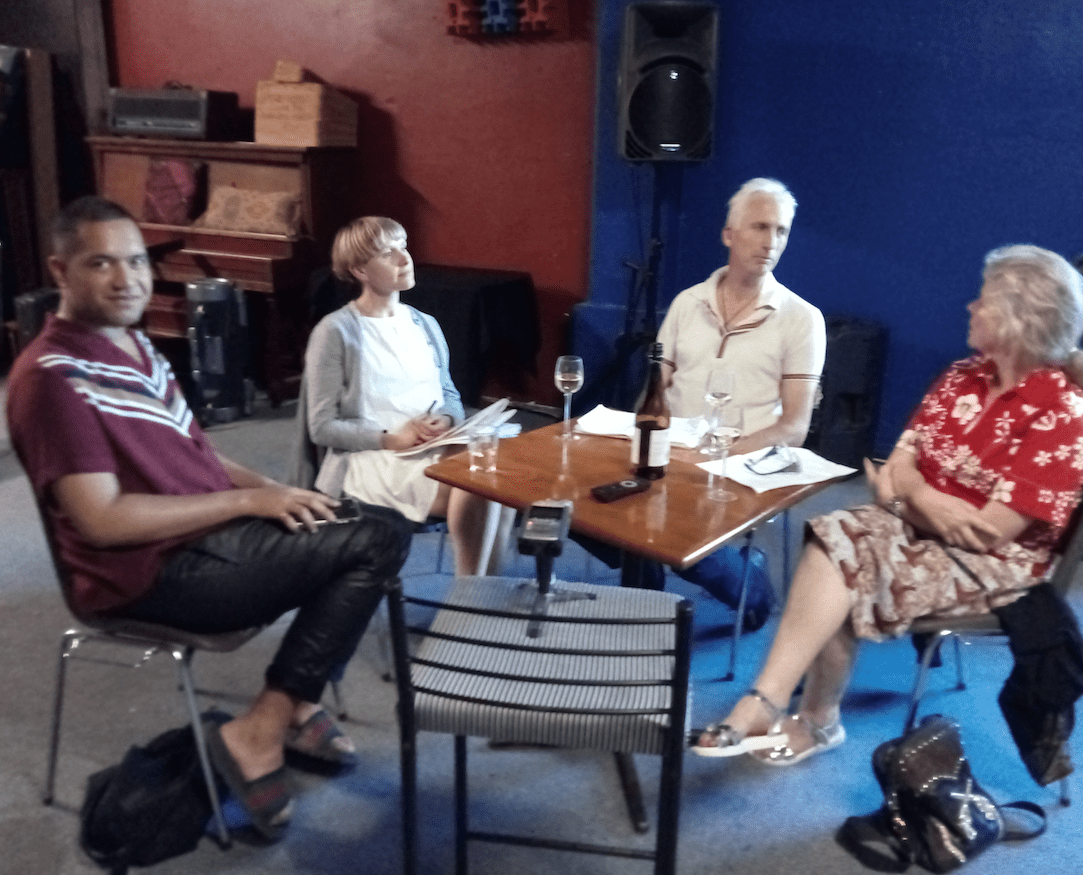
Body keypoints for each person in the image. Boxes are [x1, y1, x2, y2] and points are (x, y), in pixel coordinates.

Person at [6, 196, 413, 840]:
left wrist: (276, 489)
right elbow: (104, 522)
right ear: (61, 271)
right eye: (101, 263)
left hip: (206, 536)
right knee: (372, 542)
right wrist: (252, 503)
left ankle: (292, 704)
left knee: (367, 522)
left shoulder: (133, 344)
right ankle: (263, 728)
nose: (127, 279)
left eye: (136, 260)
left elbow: (198, 456)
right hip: (147, 573)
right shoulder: (51, 378)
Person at [692, 244, 1083, 764]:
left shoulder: (1062, 414)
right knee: (838, 537)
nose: (970, 307)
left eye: (982, 300)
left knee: (843, 556)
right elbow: (894, 467)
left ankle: (797, 712)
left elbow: (988, 534)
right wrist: (922, 497)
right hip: (912, 530)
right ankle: (782, 706)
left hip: (997, 570)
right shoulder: (961, 377)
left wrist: (909, 494)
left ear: (1020, 318)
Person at [656, 178, 826, 626]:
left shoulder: (802, 319)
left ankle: (753, 590)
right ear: (729, 235)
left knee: (667, 537)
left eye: (782, 231)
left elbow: (794, 426)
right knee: (595, 509)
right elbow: (656, 393)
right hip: (676, 454)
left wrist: (712, 455)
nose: (772, 242)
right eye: (760, 227)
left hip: (748, 461)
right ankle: (646, 603)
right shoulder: (685, 304)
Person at [292, 216, 492, 577]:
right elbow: (321, 428)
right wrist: (392, 439)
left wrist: (445, 419)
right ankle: (470, 596)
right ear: (360, 270)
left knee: (494, 465)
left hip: (427, 446)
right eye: (388, 253)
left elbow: (448, 392)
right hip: (372, 458)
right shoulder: (335, 331)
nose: (404, 259)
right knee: (479, 483)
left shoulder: (424, 323)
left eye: (403, 246)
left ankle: (487, 589)